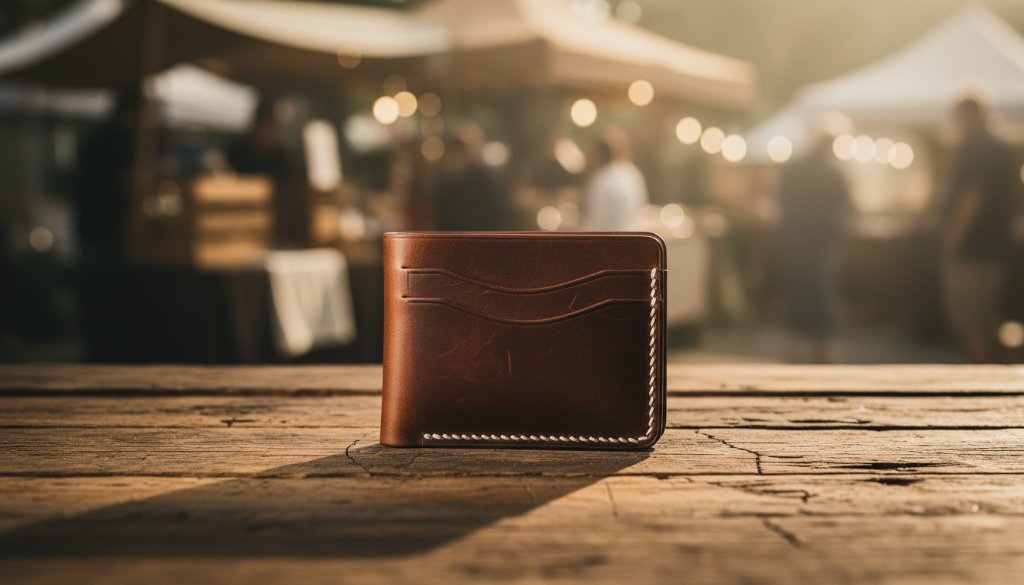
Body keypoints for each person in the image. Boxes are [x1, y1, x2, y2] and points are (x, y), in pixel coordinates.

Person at [941, 96, 1017, 362]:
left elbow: (972, 197)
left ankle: (981, 375)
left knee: (969, 317)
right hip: (995, 244)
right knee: (986, 315)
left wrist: (952, 238)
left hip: (973, 247)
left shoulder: (975, 146)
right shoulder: (998, 146)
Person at [776, 129, 851, 363]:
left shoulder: (795, 168)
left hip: (797, 240)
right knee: (822, 292)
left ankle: (796, 343)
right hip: (821, 242)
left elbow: (782, 200)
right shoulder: (833, 172)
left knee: (799, 290)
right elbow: (845, 206)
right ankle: (822, 346)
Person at [226, 97, 303, 244]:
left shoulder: (281, 155)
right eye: (265, 124)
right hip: (240, 218)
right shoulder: (238, 151)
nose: (268, 130)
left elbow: (288, 190)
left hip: (275, 220)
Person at [433, 126, 512, 231]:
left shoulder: (482, 181)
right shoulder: (446, 184)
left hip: (481, 238)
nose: (455, 159)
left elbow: (496, 214)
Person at [582, 128, 648, 231]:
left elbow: (597, 222)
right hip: (633, 238)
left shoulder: (602, 179)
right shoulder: (633, 173)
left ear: (599, 153)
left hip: (610, 242)